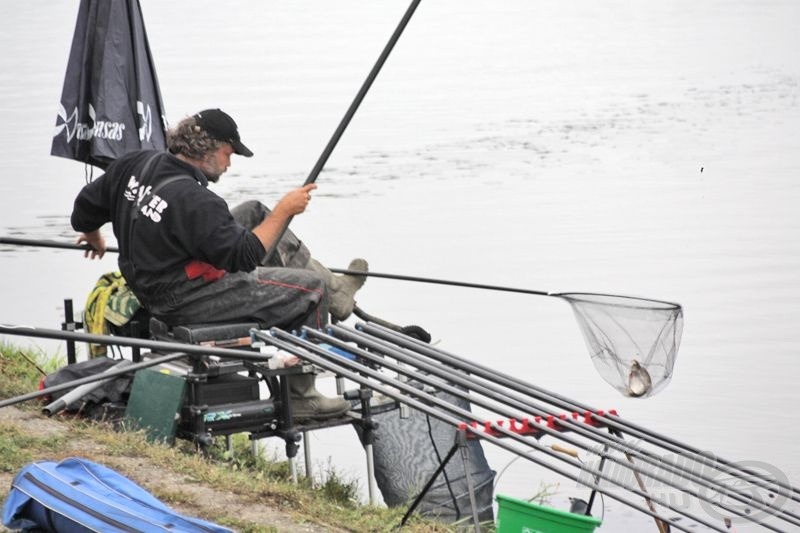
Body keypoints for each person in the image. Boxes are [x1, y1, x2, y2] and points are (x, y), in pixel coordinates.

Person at [71, 108, 364, 419]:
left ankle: (338, 292)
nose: (229, 163)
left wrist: (93, 235)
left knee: (255, 212)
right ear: (207, 151)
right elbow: (245, 255)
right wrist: (285, 209)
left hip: (151, 277)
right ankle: (303, 396)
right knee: (312, 290)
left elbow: (83, 210)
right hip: (184, 296)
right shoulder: (195, 200)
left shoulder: (137, 163)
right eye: (228, 153)